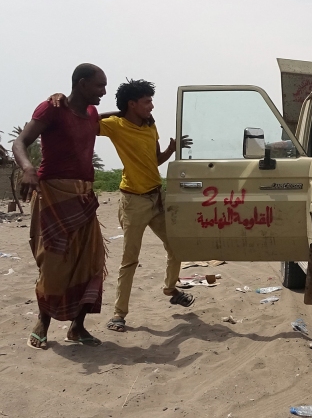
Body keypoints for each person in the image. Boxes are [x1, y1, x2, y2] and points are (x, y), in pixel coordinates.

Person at [51, 79, 194, 333]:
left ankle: (171, 289)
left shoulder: (150, 125)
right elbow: (86, 119)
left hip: (156, 197)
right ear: (132, 104)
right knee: (130, 259)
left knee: (177, 247)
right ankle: (119, 314)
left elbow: (155, 161)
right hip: (134, 201)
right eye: (146, 101)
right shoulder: (116, 125)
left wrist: (171, 149)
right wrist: (64, 100)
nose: (152, 106)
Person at [13, 63, 108, 349]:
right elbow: (20, 142)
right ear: (81, 83)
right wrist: (28, 168)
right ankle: (42, 322)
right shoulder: (51, 108)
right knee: (55, 263)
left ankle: (77, 328)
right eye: (99, 85)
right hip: (54, 195)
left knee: (91, 263)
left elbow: (107, 118)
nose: (104, 91)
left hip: (84, 198)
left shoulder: (91, 113)